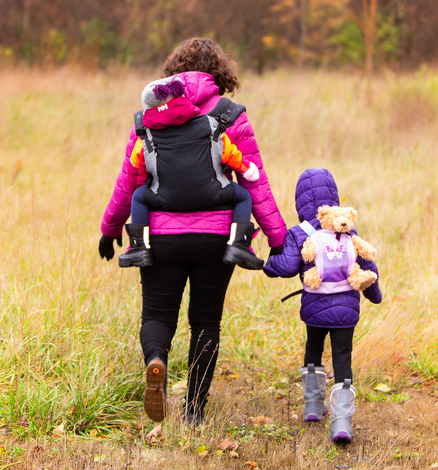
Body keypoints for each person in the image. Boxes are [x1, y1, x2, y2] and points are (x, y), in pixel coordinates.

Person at [99, 38, 287, 425]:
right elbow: (256, 183)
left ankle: (155, 361)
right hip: (217, 239)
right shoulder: (231, 114)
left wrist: (110, 227)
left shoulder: (151, 117)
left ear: (172, 72)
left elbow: (129, 181)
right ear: (221, 74)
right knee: (205, 321)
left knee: (157, 315)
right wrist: (279, 237)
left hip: (160, 236)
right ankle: (195, 412)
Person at [264, 168, 382, 442]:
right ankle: (342, 421)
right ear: (335, 196)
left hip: (314, 307)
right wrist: (374, 294)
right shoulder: (347, 230)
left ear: (299, 202)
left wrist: (267, 263)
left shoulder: (299, 232)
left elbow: (284, 267)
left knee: (313, 348)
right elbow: (368, 264)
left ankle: (314, 406)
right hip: (347, 310)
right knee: (343, 357)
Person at [118, 75, 263, 270]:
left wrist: (142, 188)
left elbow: (136, 171)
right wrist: (247, 169)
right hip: (213, 195)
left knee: (137, 196)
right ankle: (238, 244)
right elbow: (230, 154)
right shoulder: (210, 126)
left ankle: (138, 247)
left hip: (164, 199)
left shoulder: (145, 138)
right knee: (244, 196)